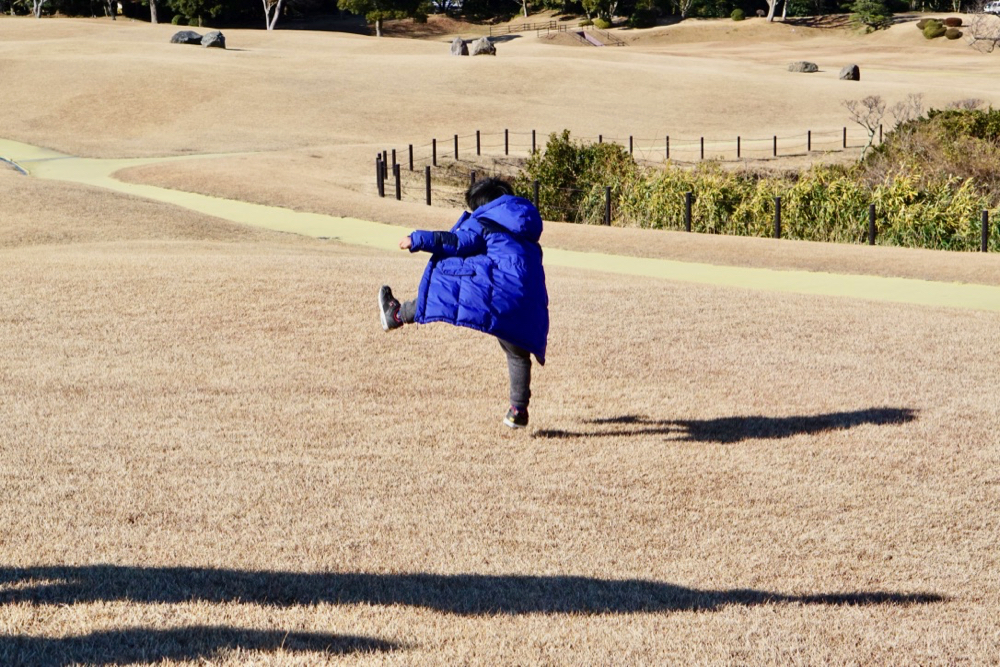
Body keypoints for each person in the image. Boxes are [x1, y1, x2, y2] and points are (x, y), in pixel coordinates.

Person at [378, 177, 549, 429]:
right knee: (518, 353)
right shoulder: (526, 232)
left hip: (500, 295)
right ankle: (518, 410)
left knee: (445, 284)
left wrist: (417, 239)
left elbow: (456, 242)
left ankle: (397, 316)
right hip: (527, 304)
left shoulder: (484, 221)